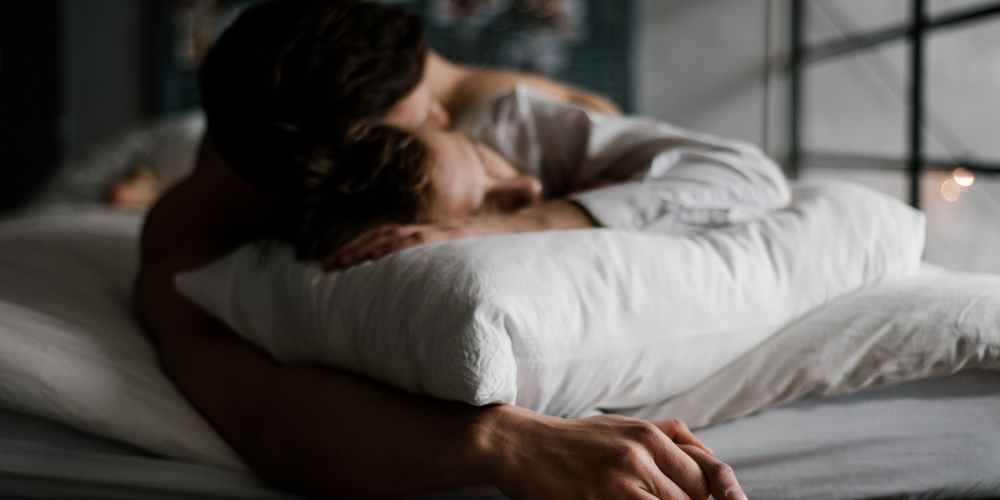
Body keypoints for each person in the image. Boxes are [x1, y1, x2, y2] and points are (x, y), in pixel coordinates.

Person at [136, 1, 747, 499]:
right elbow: (263, 418)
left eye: (432, 92)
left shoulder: (446, 89)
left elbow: (614, 130)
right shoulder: (194, 234)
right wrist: (504, 441)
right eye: (420, 123)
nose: (441, 113)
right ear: (341, 173)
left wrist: (537, 216)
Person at [272, 87, 789, 268]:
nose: (527, 187)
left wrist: (513, 224)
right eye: (487, 206)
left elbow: (755, 178)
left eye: (483, 160)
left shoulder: (509, 124)